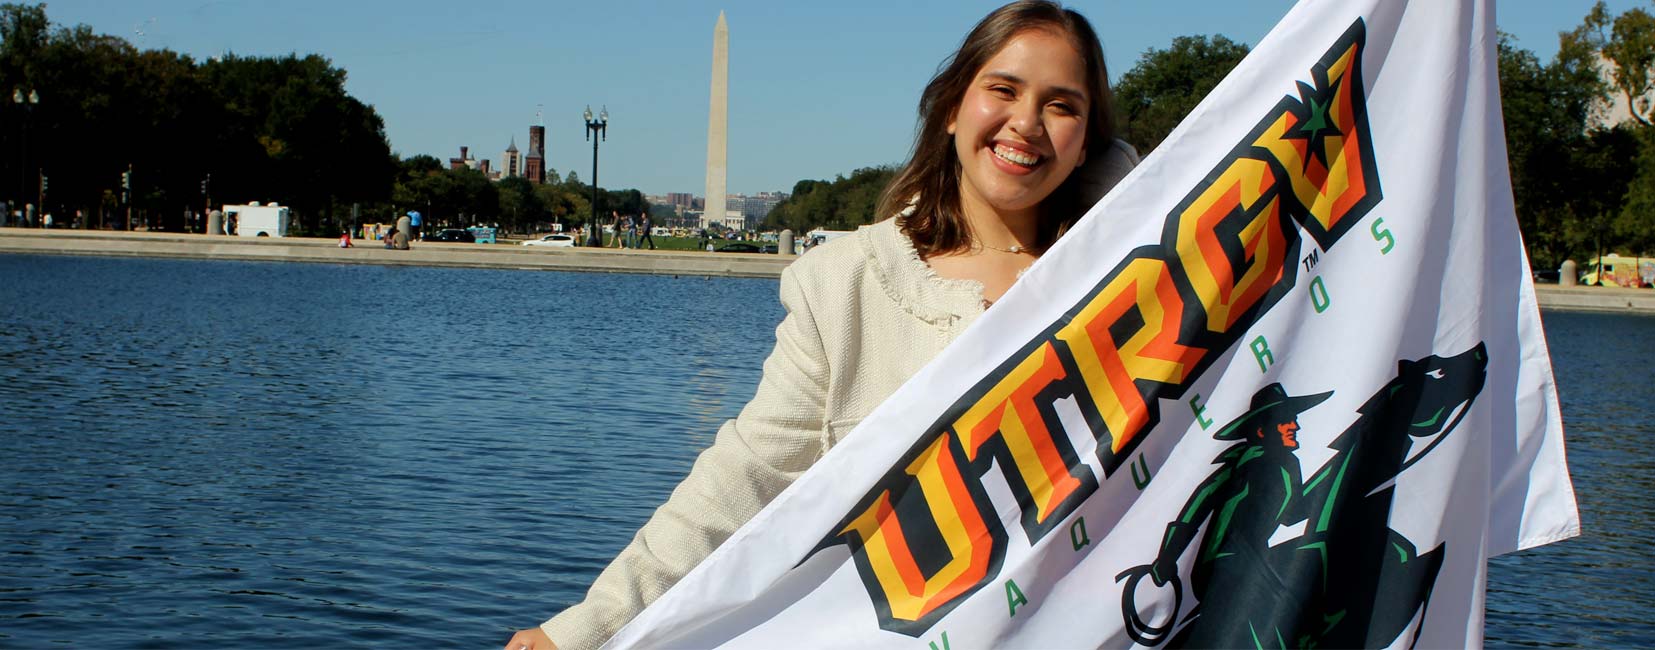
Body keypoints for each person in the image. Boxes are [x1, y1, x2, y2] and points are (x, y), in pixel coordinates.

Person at [505, 2, 1138, 648]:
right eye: (1001, 89)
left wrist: (1122, 190)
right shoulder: (849, 286)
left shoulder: (1120, 276)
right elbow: (740, 480)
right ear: (951, 108)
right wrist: (582, 629)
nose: (1026, 122)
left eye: (1062, 106)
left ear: (1087, 140)